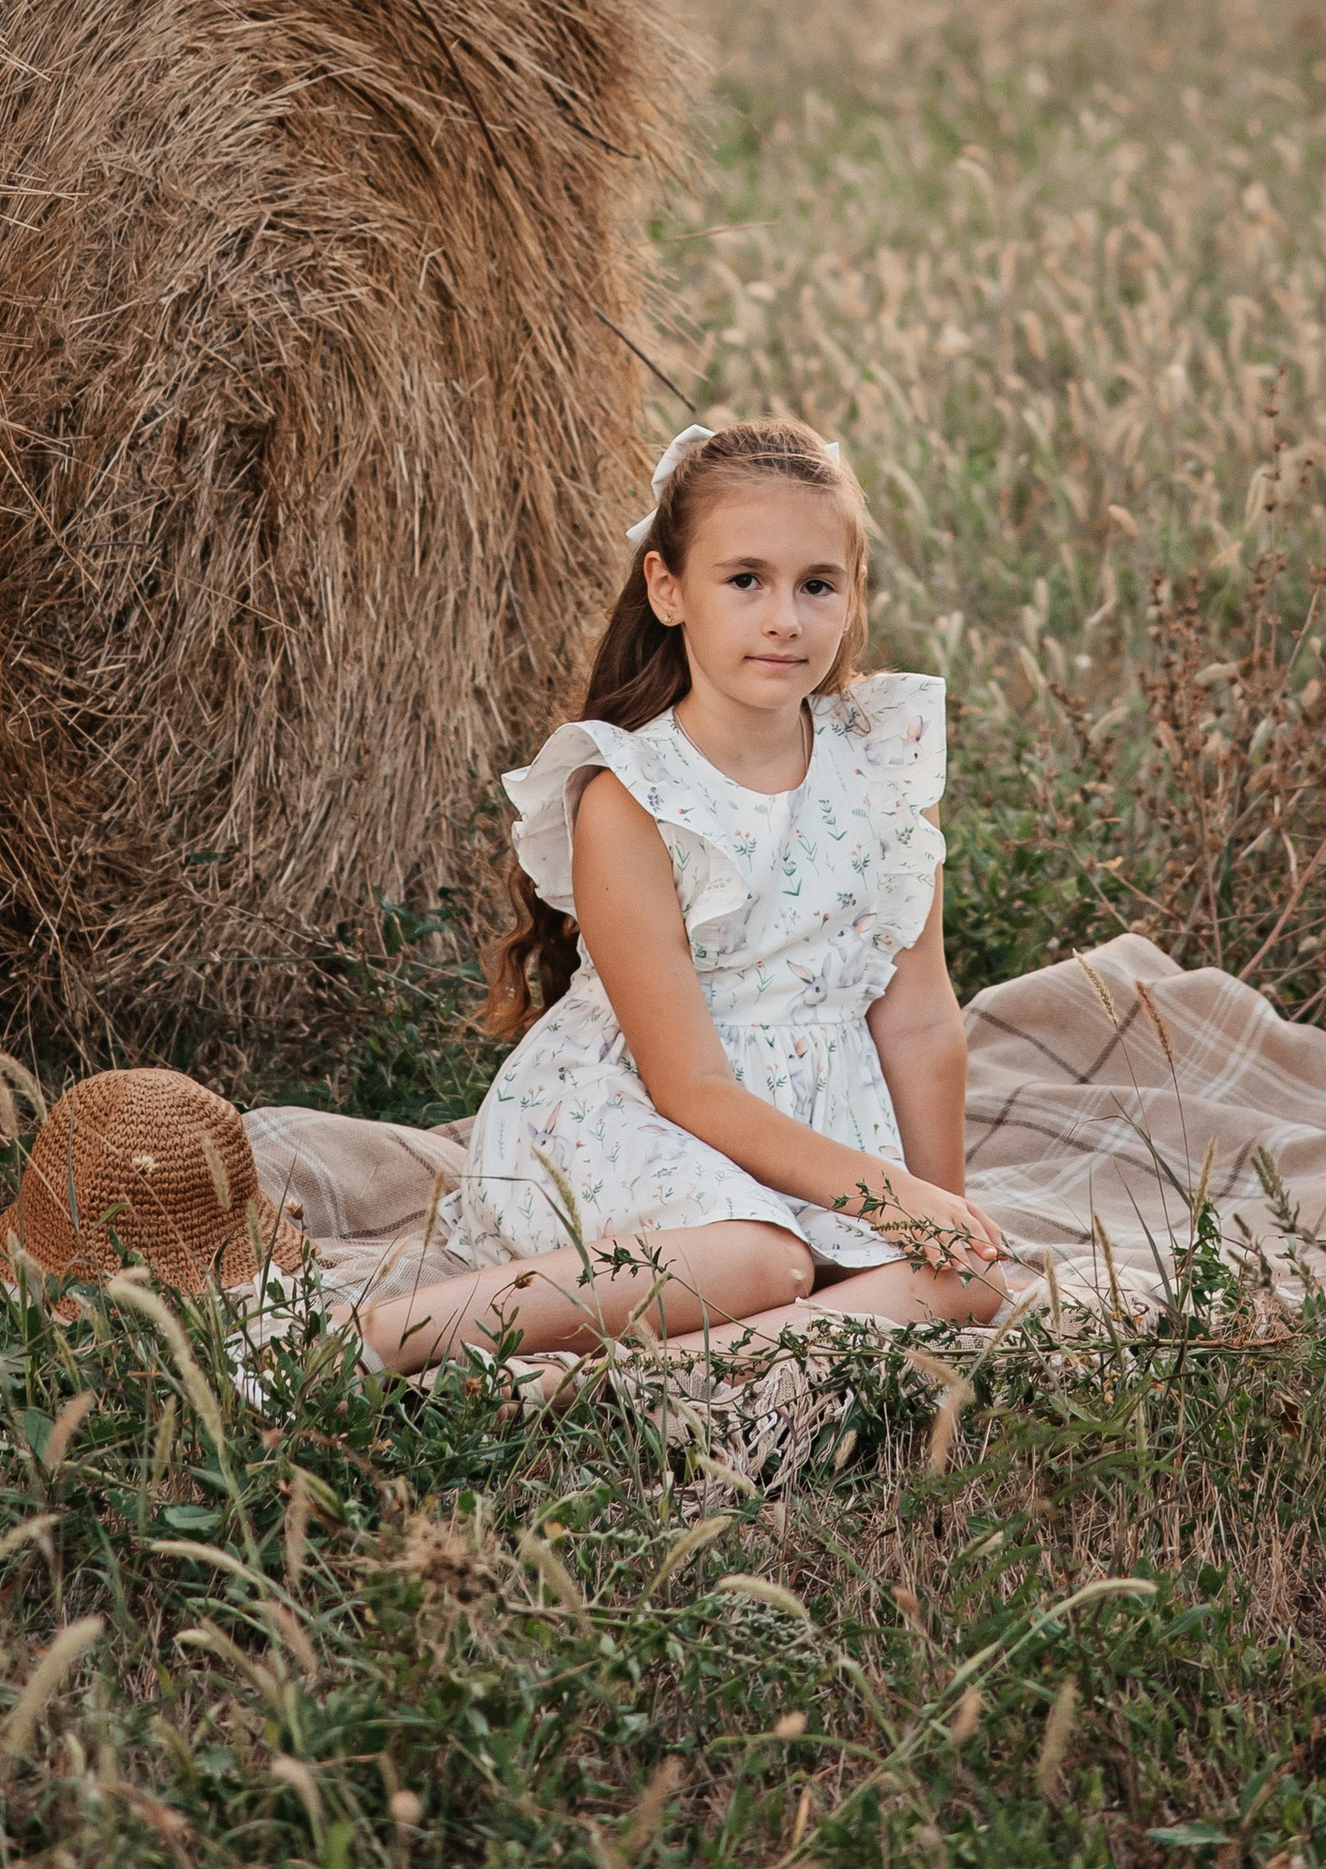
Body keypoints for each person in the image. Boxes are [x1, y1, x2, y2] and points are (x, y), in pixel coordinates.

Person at [354, 417, 1006, 1373]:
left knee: (973, 1283)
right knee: (759, 1258)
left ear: (852, 592)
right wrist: (884, 1197)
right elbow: (687, 1085)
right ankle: (390, 1333)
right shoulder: (631, 798)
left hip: (820, 1126)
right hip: (631, 1116)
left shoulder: (883, 763)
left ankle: (692, 1371)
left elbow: (919, 1017)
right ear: (668, 588)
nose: (785, 616)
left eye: (817, 584)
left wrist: (935, 1213)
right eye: (745, 579)